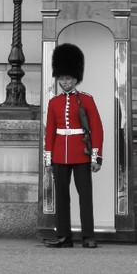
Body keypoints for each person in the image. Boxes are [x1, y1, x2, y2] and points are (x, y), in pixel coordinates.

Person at [43, 42, 104, 249]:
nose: (64, 82)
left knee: (85, 196)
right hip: (60, 154)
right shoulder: (54, 102)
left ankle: (88, 236)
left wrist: (96, 157)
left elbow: (96, 129)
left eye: (68, 78)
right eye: (61, 78)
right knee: (61, 197)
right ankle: (63, 236)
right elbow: (50, 132)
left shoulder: (86, 100)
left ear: (75, 79)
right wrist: (48, 158)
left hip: (81, 154)